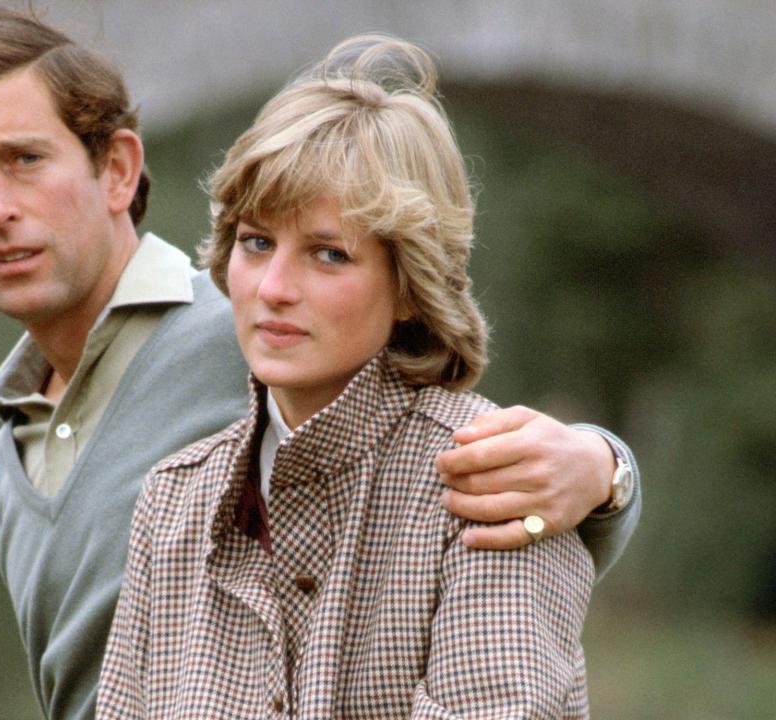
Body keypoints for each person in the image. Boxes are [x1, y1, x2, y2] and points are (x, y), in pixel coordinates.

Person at [0, 9, 639, 720]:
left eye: (26, 158)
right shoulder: (131, 480)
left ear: (119, 169)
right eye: (255, 244)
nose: (277, 291)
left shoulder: (263, 344)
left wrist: (604, 469)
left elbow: (517, 481)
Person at [97, 34, 602, 718]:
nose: (274, 287)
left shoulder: (491, 481)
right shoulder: (172, 503)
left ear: (408, 285)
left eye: (328, 254)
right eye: (256, 242)